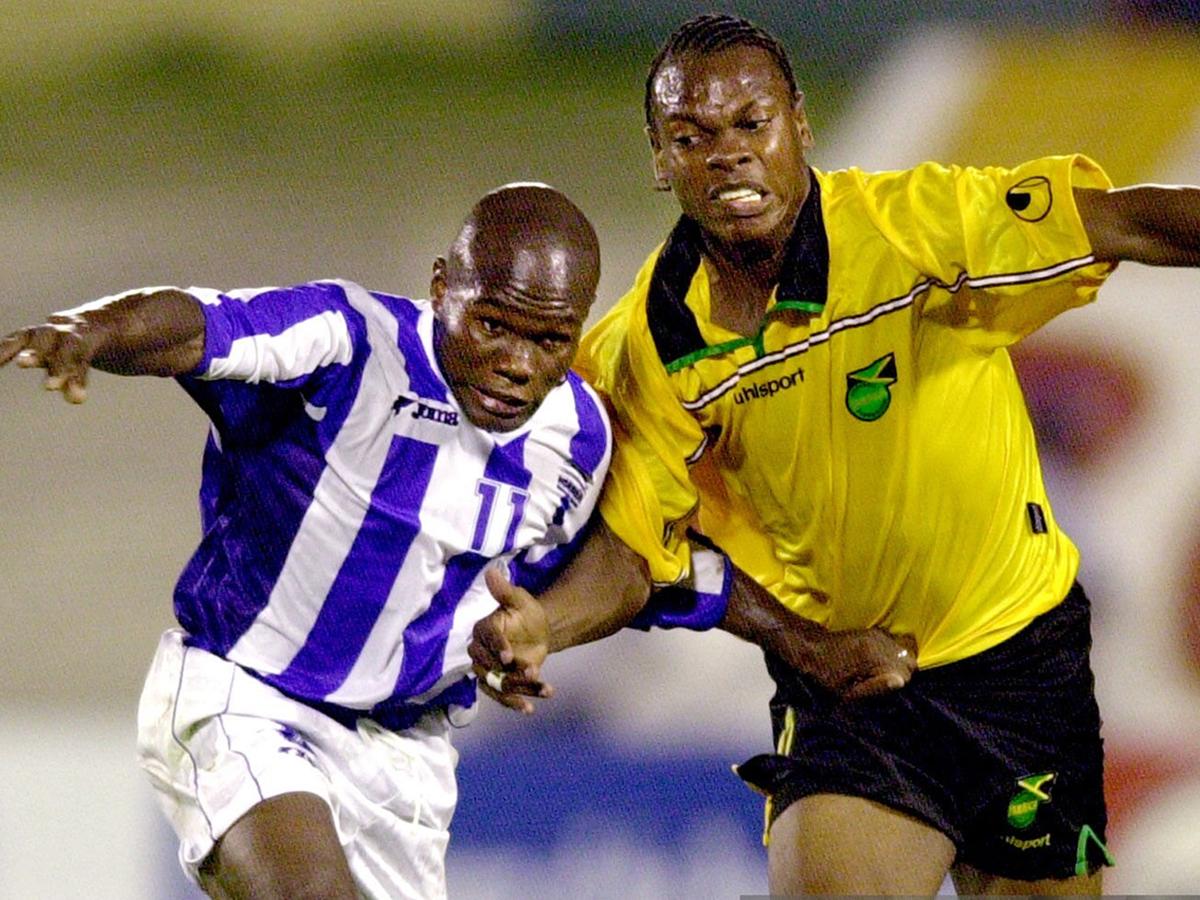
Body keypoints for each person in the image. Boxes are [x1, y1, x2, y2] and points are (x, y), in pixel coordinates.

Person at [469, 13, 1200, 897]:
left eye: (752, 124)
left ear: (800, 129)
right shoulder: (647, 350)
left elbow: (1127, 225)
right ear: (661, 162)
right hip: (851, 688)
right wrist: (546, 624)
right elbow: (634, 553)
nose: (729, 154)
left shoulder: (912, 231)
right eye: (693, 136)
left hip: (1018, 666)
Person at [0, 183, 623, 900]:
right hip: (246, 696)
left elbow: (595, 577)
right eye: (493, 326)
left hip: (404, 756)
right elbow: (197, 326)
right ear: (441, 286)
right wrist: (91, 332)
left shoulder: (579, 440)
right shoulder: (347, 338)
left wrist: (523, 640)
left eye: (550, 341)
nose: (519, 363)